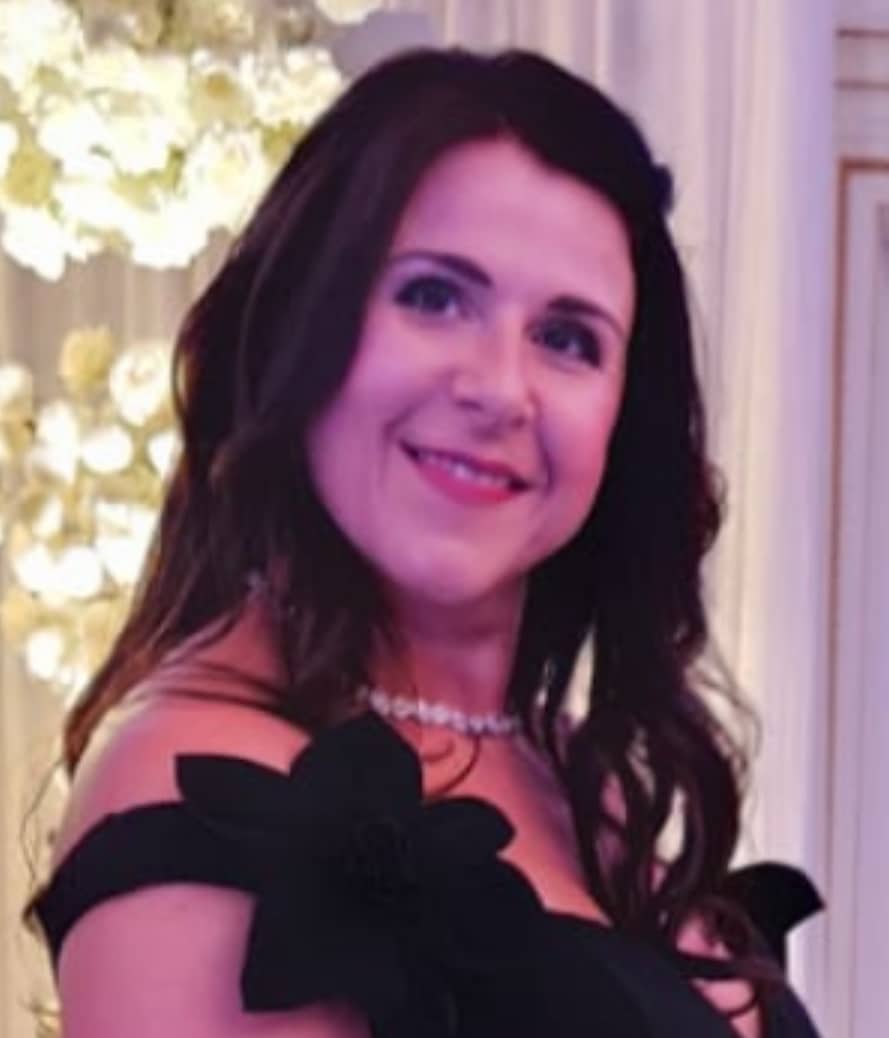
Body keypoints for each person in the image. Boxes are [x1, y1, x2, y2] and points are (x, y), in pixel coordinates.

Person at [26, 47, 823, 1037]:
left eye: (568, 338)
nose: (498, 389)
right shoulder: (197, 774)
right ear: (297, 326)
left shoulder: (597, 784)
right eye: (434, 297)